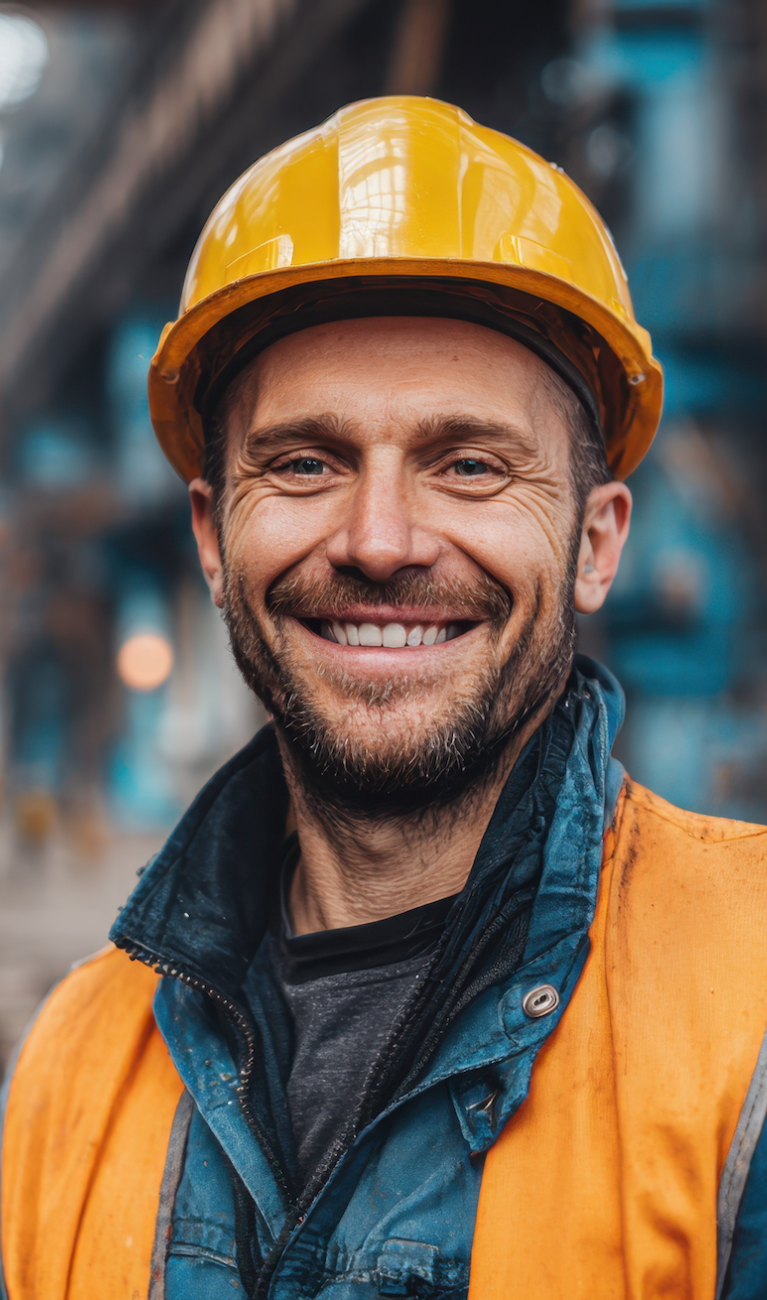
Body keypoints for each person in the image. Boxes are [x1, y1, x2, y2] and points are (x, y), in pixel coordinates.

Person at [2, 96, 767, 1300]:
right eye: (304, 462)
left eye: (468, 464)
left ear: (595, 541)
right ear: (210, 533)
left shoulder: (751, 1006)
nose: (377, 539)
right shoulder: (73, 1065)